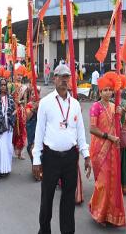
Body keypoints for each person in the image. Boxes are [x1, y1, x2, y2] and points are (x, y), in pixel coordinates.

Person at [32, 64, 91, 234]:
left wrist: (86, 155)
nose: (64, 80)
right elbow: (39, 133)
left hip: (70, 158)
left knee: (68, 200)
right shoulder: (45, 103)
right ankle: (44, 231)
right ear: (54, 78)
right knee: (47, 199)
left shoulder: (75, 104)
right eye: (60, 76)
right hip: (51, 158)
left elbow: (80, 132)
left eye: (67, 76)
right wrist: (36, 160)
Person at [88, 72, 126, 227]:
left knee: (113, 182)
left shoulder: (114, 107)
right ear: (100, 91)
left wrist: (121, 116)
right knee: (102, 183)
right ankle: (98, 213)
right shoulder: (95, 107)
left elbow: (119, 127)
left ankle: (111, 214)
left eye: (110, 90)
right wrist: (108, 137)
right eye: (105, 90)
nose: (108, 93)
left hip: (113, 149)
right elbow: (92, 128)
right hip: (99, 149)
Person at [12, 65, 28, 160]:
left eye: (21, 75)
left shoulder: (24, 87)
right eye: (18, 75)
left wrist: (20, 103)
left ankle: (20, 152)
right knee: (13, 131)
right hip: (13, 110)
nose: (19, 77)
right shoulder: (12, 85)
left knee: (22, 131)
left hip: (20, 111)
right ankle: (13, 150)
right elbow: (9, 97)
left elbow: (25, 100)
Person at [25, 86, 40, 165]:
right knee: (31, 147)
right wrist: (34, 108)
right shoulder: (28, 105)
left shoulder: (42, 103)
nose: (34, 95)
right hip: (31, 127)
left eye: (36, 94)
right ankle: (34, 164)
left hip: (40, 128)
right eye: (32, 94)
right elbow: (28, 117)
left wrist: (39, 106)